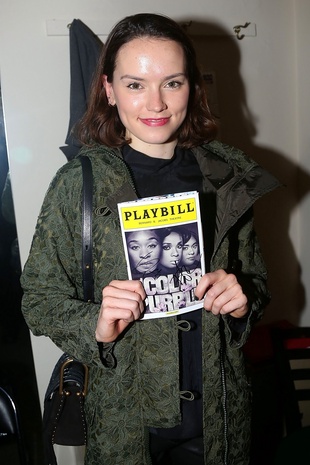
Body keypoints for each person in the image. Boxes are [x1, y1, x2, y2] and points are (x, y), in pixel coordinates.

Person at [21, 12, 279, 465]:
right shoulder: (79, 182)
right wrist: (94, 325)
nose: (155, 103)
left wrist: (242, 302)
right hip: (127, 423)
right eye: (135, 84)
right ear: (108, 89)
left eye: (172, 83)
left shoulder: (226, 176)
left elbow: (256, 280)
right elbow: (38, 299)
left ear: (193, 87)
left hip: (220, 419)